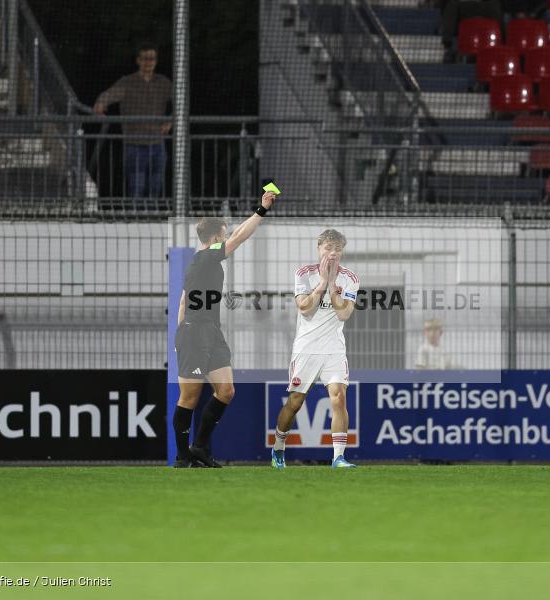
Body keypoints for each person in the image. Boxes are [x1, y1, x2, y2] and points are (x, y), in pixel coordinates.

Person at [172, 191, 278, 468]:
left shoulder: (203, 263)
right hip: (194, 333)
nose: (228, 237)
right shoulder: (204, 257)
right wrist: (261, 210)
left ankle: (200, 447)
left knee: (226, 391)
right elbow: (240, 237)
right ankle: (183, 457)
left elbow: (183, 299)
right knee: (190, 397)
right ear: (217, 237)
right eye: (225, 234)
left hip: (211, 332)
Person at [270, 229, 361, 469]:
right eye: (328, 248)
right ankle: (278, 447)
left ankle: (338, 457)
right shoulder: (304, 274)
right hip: (306, 348)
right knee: (296, 402)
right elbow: (304, 308)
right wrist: (322, 283)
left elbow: (343, 314)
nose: (332, 254)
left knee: (339, 398)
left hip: (333, 348)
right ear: (319, 249)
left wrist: (332, 284)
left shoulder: (350, 278)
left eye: (337, 250)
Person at [94, 43, 172, 199]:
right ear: (138, 60)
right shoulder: (128, 82)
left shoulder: (163, 82)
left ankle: (151, 220)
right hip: (134, 143)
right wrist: (101, 103)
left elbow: (180, 102)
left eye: (151, 59)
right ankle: (136, 219)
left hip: (157, 142)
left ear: (156, 61)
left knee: (155, 186)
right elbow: (109, 94)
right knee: (137, 186)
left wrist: (170, 121)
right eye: (145, 59)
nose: (148, 62)